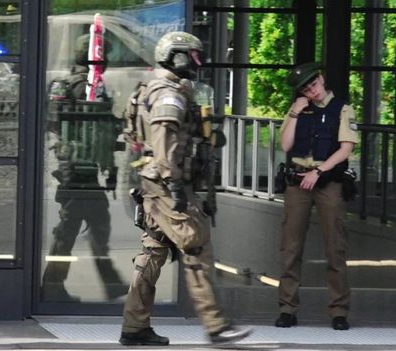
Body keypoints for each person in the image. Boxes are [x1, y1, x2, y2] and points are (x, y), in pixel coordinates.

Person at [118, 31, 252, 346]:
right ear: (177, 56)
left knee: (152, 253)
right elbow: (164, 142)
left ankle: (134, 326)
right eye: (192, 56)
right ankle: (216, 325)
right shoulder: (169, 93)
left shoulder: (157, 88)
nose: (197, 62)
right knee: (196, 245)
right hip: (168, 185)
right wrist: (176, 187)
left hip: (155, 183)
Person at [42, 34, 127, 302]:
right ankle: (52, 286)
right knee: (70, 230)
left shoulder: (68, 84)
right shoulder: (87, 86)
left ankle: (108, 283)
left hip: (77, 167)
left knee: (95, 223)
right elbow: (98, 130)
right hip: (80, 169)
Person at [275, 62, 359, 330]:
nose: (312, 90)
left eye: (313, 84)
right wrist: (295, 112)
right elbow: (286, 145)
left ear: (322, 79)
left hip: (328, 182)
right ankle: (287, 309)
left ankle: (339, 311)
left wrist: (319, 172)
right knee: (291, 247)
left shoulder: (342, 109)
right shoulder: (298, 109)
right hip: (298, 180)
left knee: (335, 247)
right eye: (306, 89)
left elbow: (345, 149)